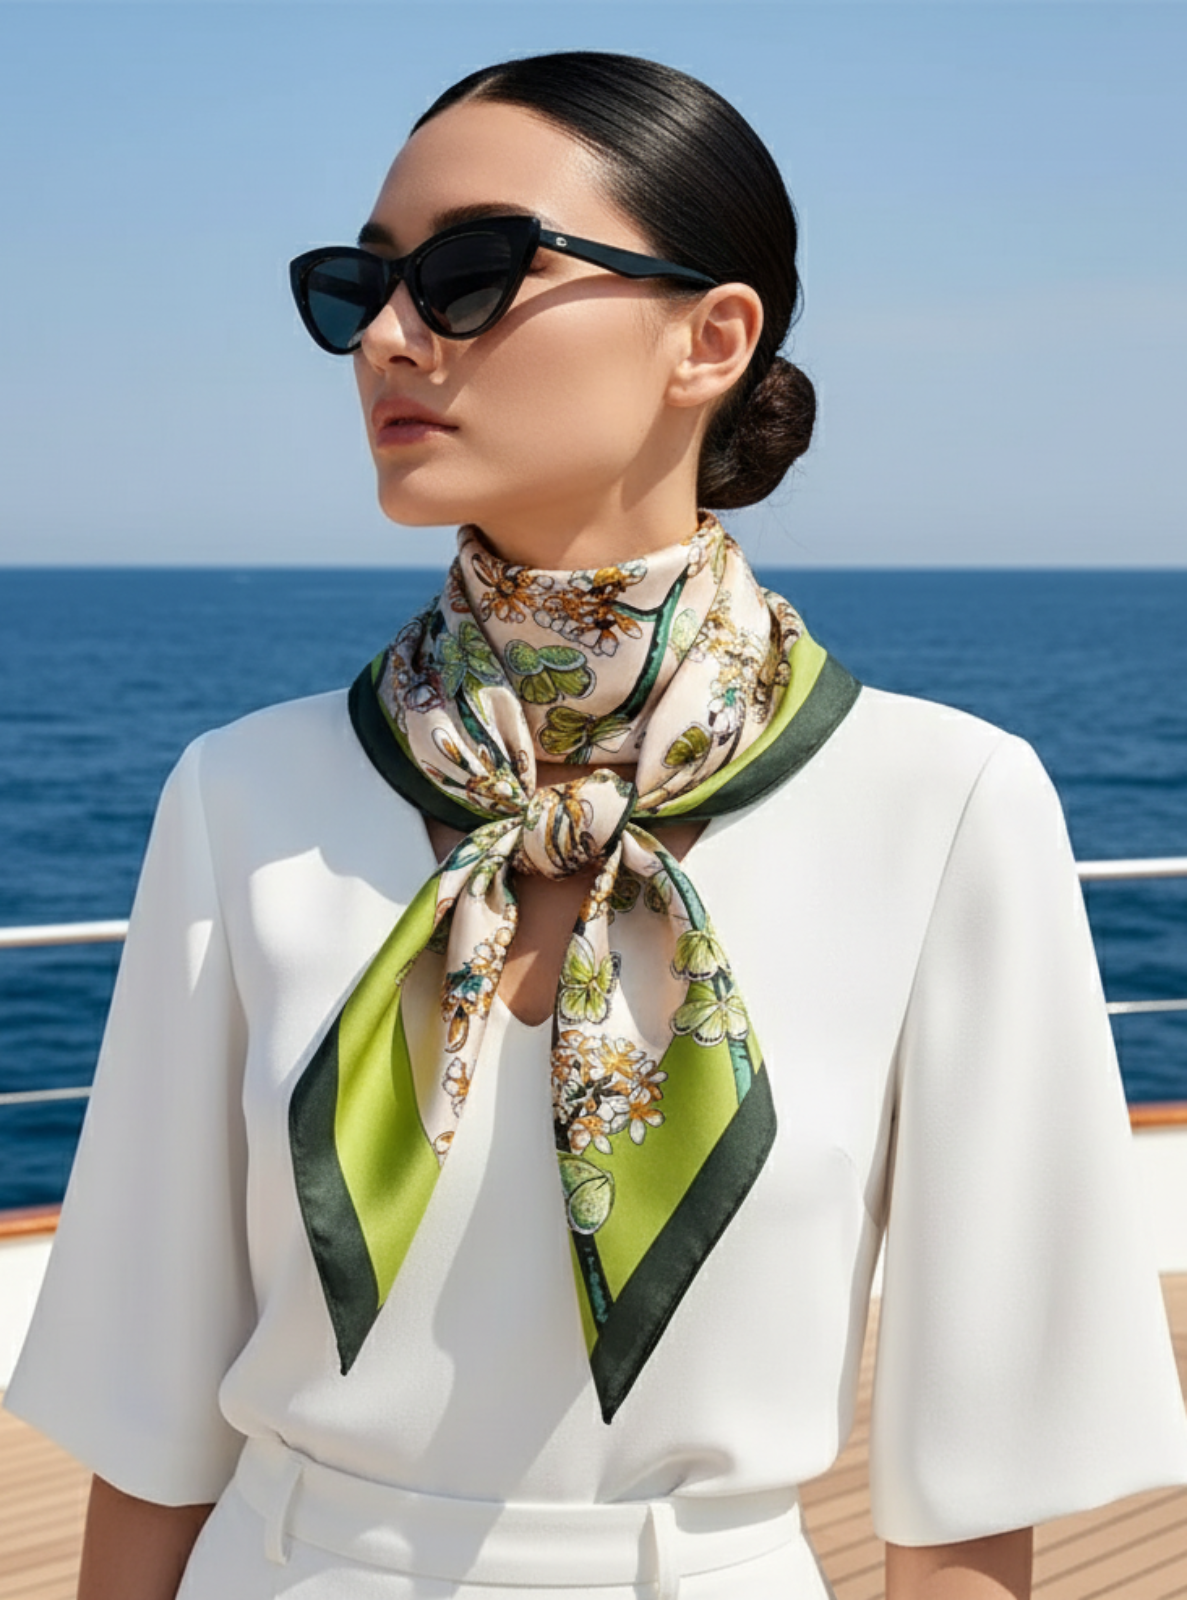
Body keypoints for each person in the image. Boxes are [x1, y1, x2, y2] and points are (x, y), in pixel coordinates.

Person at [6, 50, 1187, 1600]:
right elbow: (153, 1405)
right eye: (357, 283)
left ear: (712, 335)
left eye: (469, 271)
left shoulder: (945, 803)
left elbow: (979, 1465)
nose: (382, 334)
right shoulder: (244, 794)